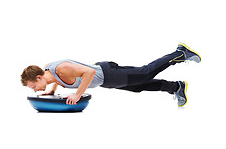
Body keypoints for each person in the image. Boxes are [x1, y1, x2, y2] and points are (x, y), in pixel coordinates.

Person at [21, 43, 201, 107]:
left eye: (34, 86)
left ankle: (180, 54)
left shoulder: (61, 68)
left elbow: (89, 72)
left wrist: (77, 94)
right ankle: (176, 87)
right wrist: (52, 91)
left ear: (38, 77)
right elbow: (56, 80)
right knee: (140, 86)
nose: (36, 90)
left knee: (146, 73)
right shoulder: (48, 72)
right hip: (107, 80)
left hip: (109, 75)